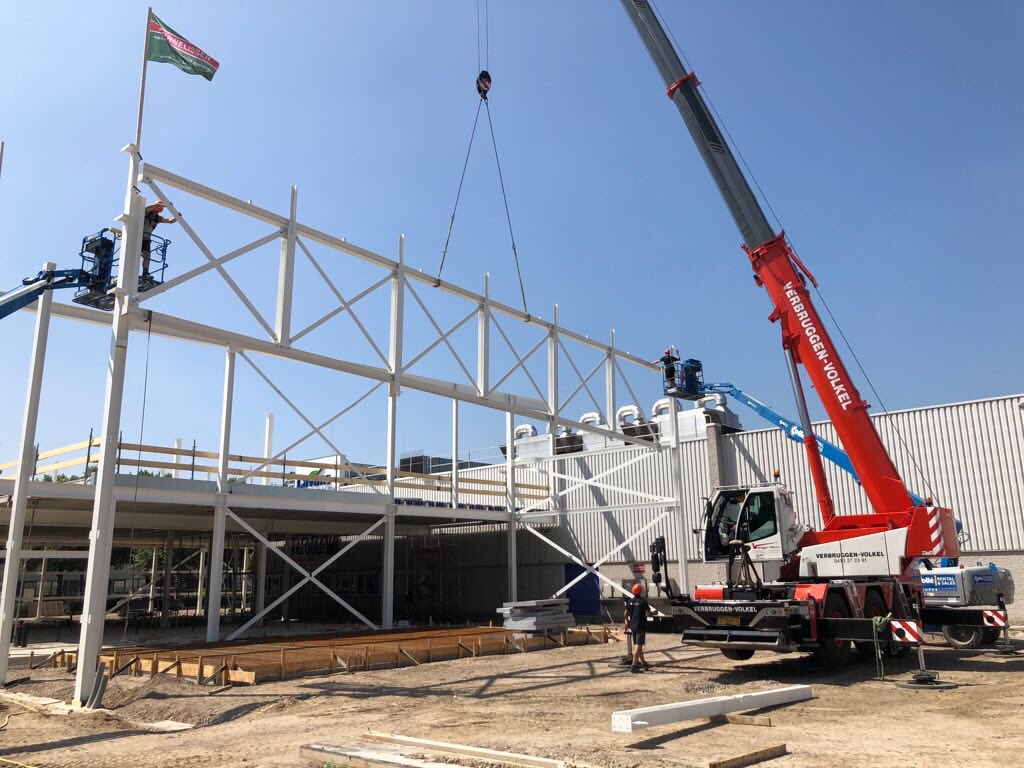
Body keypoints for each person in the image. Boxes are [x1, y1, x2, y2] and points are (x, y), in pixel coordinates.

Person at [625, 582, 654, 673]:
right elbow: (648, 614)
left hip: (633, 626)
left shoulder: (629, 601)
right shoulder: (643, 601)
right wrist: (654, 613)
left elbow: (625, 614)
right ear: (641, 591)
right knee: (638, 647)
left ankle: (644, 663)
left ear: (632, 591)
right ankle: (634, 666)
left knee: (638, 646)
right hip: (640, 626)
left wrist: (628, 622)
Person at [142, 202, 176, 276]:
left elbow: (170, 221)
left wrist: (177, 217)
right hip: (138, 235)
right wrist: (164, 205)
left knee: (147, 255)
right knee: (136, 253)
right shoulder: (146, 212)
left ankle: (145, 271)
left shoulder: (157, 218)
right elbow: (147, 208)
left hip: (146, 238)